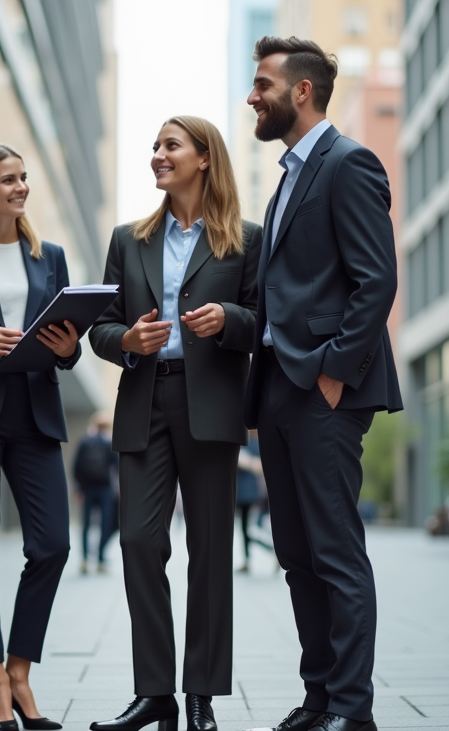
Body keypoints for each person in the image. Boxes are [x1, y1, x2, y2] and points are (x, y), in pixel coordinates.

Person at [244, 36, 402, 731]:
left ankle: (352, 710)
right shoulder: (286, 178)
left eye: (262, 84)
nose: (252, 96)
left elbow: (377, 280)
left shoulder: (348, 163)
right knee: (296, 555)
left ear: (300, 91)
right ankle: (318, 698)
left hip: (324, 390)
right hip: (279, 387)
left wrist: (336, 372)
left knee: (335, 550)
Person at [88, 116, 262, 731]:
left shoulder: (245, 239)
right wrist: (128, 339)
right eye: (155, 146)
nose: (157, 155)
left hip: (211, 404)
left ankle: (201, 696)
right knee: (138, 542)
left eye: (171, 145)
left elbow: (263, 319)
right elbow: (100, 326)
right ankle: (155, 691)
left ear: (204, 158)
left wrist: (230, 320)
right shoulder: (127, 238)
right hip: (146, 401)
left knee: (211, 550)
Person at [0, 143, 78, 731]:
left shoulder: (48, 255)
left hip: (36, 412)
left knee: (51, 545)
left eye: (24, 178)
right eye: (8, 179)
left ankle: (22, 668)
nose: (20, 187)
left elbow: (70, 340)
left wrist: (69, 348)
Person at [73, 413, 118, 574]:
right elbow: (117, 467)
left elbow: (76, 466)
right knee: (105, 523)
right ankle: (100, 558)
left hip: (87, 488)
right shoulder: (108, 443)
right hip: (105, 488)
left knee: (86, 524)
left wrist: (78, 489)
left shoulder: (84, 442)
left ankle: (85, 560)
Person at [235, 431, 263, 573]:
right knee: (246, 528)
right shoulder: (246, 443)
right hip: (244, 494)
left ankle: (271, 550)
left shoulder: (255, 444)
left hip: (250, 495)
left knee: (250, 528)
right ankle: (247, 559)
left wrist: (248, 462)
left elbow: (259, 466)